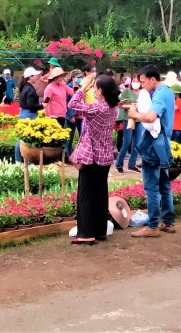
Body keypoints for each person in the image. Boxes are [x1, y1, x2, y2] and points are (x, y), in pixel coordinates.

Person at [68, 72, 119, 245]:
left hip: (91, 156)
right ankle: (99, 230)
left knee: (86, 195)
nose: (93, 90)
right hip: (105, 156)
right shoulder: (112, 108)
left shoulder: (98, 108)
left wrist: (82, 88)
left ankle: (86, 234)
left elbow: (72, 105)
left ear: (100, 91)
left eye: (95, 87)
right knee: (100, 194)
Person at [129, 65, 176, 237]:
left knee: (152, 188)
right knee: (164, 185)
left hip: (154, 146)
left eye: (143, 82)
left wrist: (135, 115)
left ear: (153, 79)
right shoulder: (167, 92)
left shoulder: (159, 94)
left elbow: (150, 117)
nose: (142, 86)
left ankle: (153, 226)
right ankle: (168, 223)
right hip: (164, 145)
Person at [15, 67, 42, 162]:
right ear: (30, 77)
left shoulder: (24, 87)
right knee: (27, 138)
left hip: (24, 113)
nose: (37, 77)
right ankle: (28, 160)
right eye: (35, 75)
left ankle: (18, 160)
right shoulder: (30, 89)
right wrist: (42, 106)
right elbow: (31, 105)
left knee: (21, 138)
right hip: (29, 114)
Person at [115, 77, 141, 173]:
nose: (136, 83)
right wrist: (131, 106)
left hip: (139, 119)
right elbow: (119, 104)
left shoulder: (143, 93)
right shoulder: (126, 91)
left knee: (137, 143)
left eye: (137, 81)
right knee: (126, 142)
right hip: (128, 118)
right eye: (134, 81)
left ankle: (131, 165)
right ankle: (119, 164)